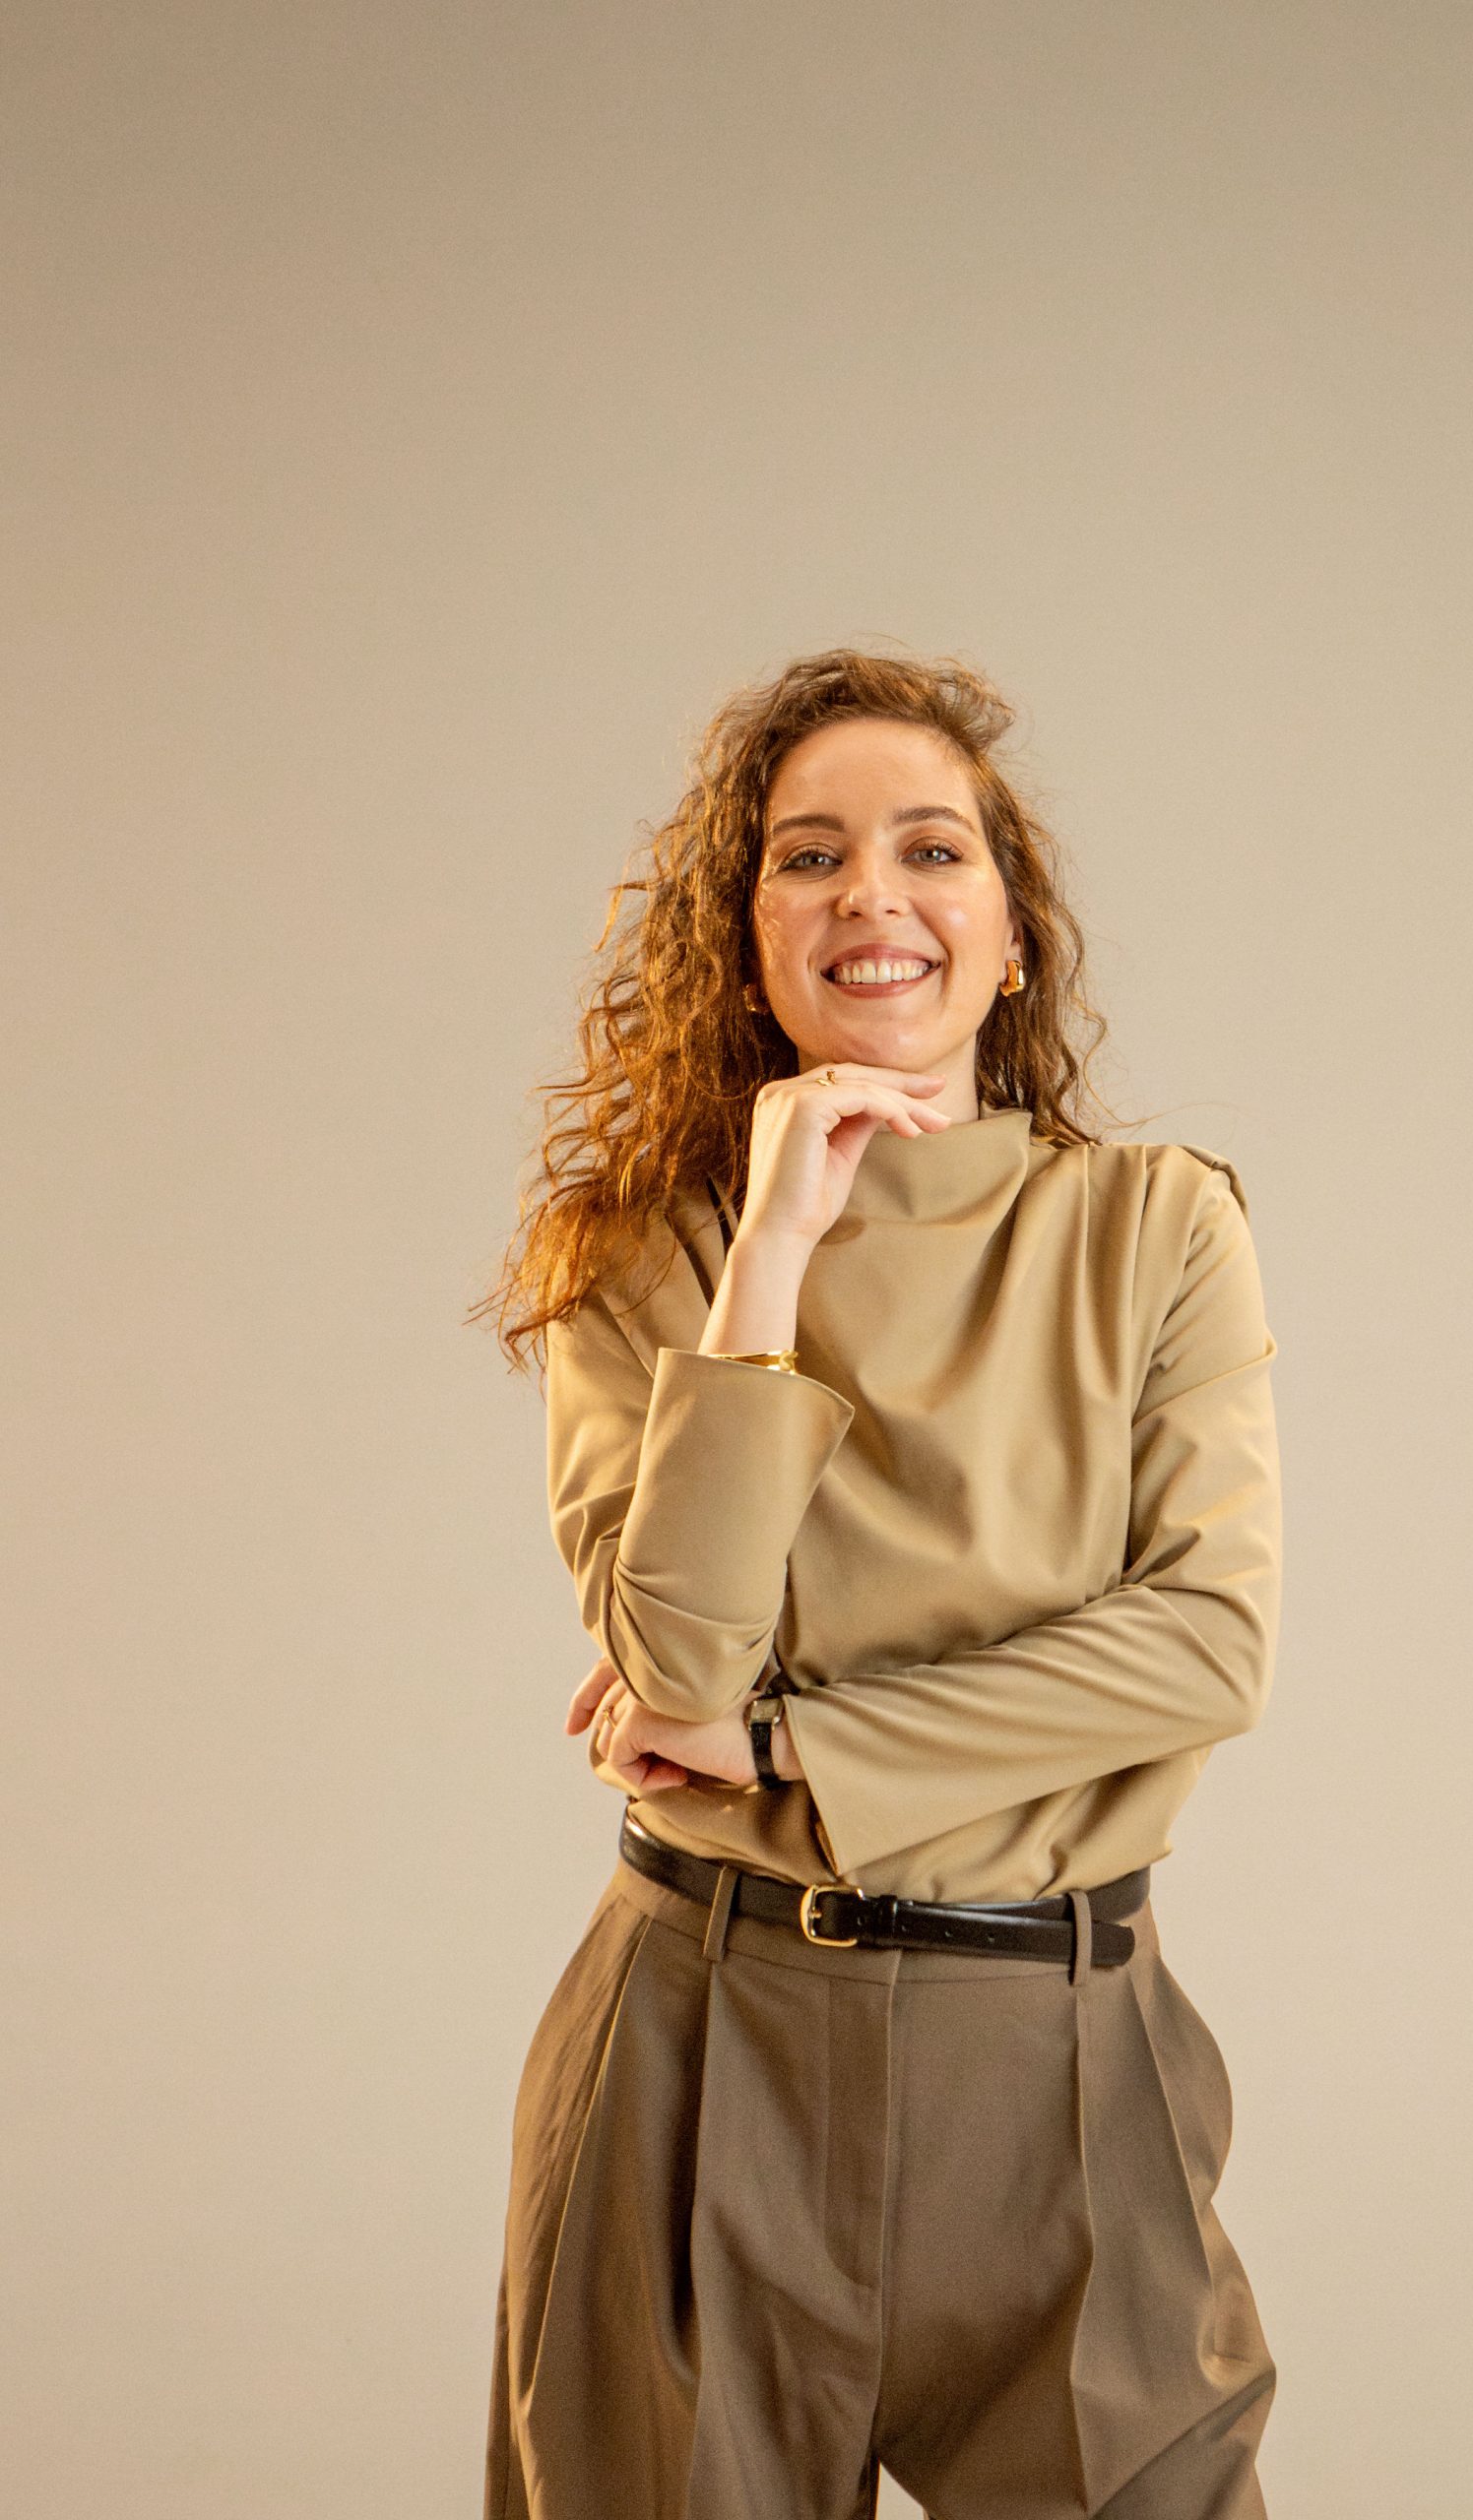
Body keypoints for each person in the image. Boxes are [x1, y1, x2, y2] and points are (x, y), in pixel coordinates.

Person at [475, 646, 1284, 2520]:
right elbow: (675, 1659)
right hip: (701, 2048)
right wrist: (773, 1246)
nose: (871, 896)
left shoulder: (1153, 1226)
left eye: (931, 849)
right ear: (745, 935)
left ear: (1012, 933)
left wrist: (787, 1746)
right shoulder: (643, 1257)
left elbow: (1203, 1646)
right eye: (807, 856)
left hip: (1061, 2062)